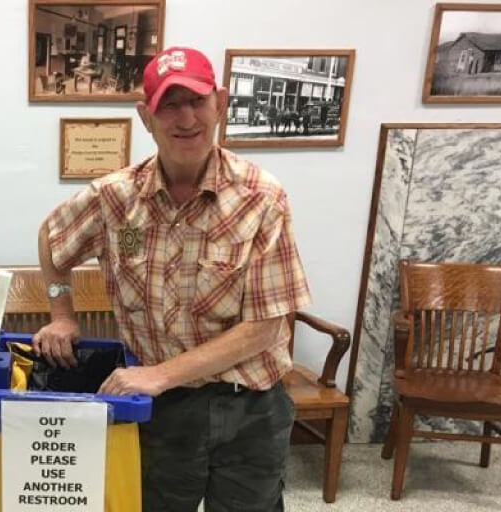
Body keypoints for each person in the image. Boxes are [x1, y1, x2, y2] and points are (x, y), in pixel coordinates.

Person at [34, 46, 311, 511]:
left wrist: (160, 375)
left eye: (197, 101)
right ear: (146, 116)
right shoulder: (115, 197)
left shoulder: (262, 198)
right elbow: (51, 238)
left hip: (250, 407)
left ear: (219, 103)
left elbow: (265, 326)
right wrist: (62, 314)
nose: (186, 118)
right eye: (169, 104)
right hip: (163, 411)